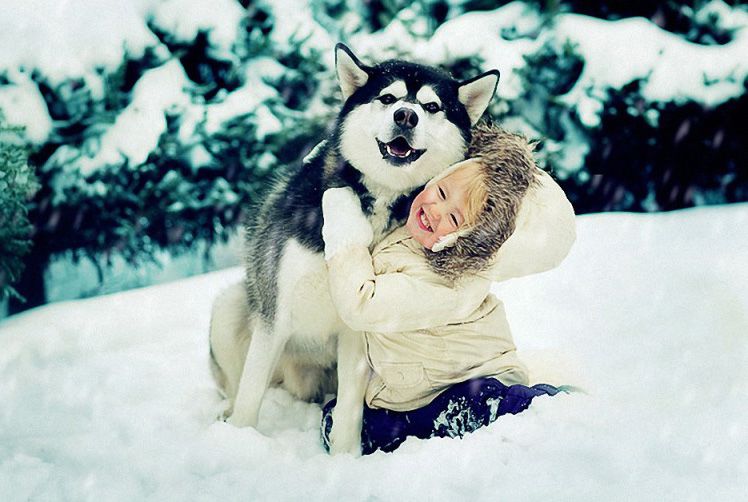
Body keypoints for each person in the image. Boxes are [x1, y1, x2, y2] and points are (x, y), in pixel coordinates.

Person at [319, 123, 576, 454]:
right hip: (412, 391)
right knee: (385, 425)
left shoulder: (450, 283)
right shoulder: (413, 230)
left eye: (454, 219)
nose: (435, 210)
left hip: (473, 378)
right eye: (441, 192)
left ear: (469, 242)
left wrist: (346, 241)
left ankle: (547, 409)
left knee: (481, 404)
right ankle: (388, 427)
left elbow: (361, 304)